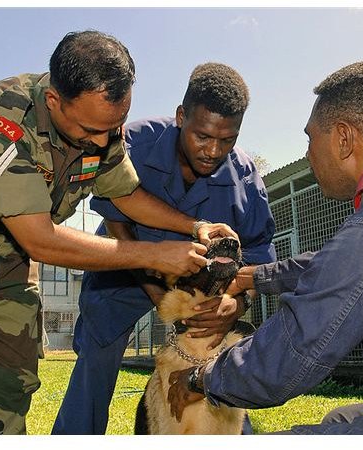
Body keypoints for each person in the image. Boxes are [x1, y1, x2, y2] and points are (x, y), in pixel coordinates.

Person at [0, 30, 235, 435]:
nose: (104, 140)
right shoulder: (0, 119)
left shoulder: (100, 125)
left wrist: (194, 225)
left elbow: (125, 193)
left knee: (5, 393)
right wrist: (153, 254)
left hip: (11, 259)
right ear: (54, 100)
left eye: (115, 126)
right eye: (90, 130)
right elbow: (40, 239)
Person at [167, 60, 363, 434]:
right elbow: (338, 267)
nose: (308, 153)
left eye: (310, 138)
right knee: (340, 419)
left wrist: (202, 379)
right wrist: (251, 277)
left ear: (343, 138)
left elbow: (288, 357)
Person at [52, 62, 276, 434]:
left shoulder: (246, 178)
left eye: (228, 139)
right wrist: (155, 292)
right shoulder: (134, 143)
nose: (213, 150)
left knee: (216, 365)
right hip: (124, 270)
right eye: (203, 136)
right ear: (181, 116)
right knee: (97, 360)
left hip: (199, 290)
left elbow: (259, 253)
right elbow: (118, 217)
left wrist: (236, 303)